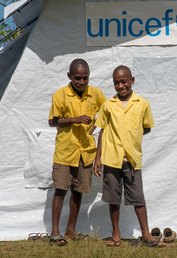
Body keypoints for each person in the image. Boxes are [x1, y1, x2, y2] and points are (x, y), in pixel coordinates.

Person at [93, 65, 161, 247]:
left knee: (138, 198)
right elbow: (101, 131)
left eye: (124, 81)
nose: (121, 85)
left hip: (132, 160)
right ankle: (116, 233)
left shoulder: (143, 103)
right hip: (111, 159)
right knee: (113, 198)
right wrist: (98, 158)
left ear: (132, 80)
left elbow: (145, 128)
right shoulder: (108, 105)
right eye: (116, 82)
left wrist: (132, 138)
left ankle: (146, 233)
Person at [48, 58, 106, 246]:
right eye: (78, 78)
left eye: (85, 78)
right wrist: (74, 119)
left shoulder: (95, 94)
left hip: (86, 151)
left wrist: (97, 123)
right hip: (66, 151)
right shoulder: (60, 95)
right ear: (69, 76)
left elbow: (108, 111)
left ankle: (71, 230)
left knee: (78, 190)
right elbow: (52, 121)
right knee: (61, 189)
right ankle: (55, 232)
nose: (82, 82)